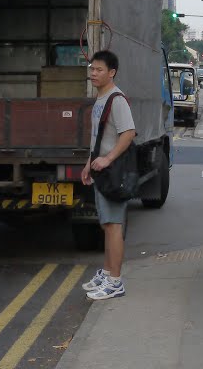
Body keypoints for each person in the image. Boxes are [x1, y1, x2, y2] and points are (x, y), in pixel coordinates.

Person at [80, 50, 136, 302]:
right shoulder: (101, 99)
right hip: (100, 170)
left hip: (112, 172)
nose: (93, 73)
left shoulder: (117, 100)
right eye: (92, 69)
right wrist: (88, 163)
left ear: (111, 72)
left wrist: (107, 159)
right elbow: (98, 138)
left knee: (114, 226)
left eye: (98, 70)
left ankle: (115, 282)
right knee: (106, 225)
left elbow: (128, 133)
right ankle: (106, 272)